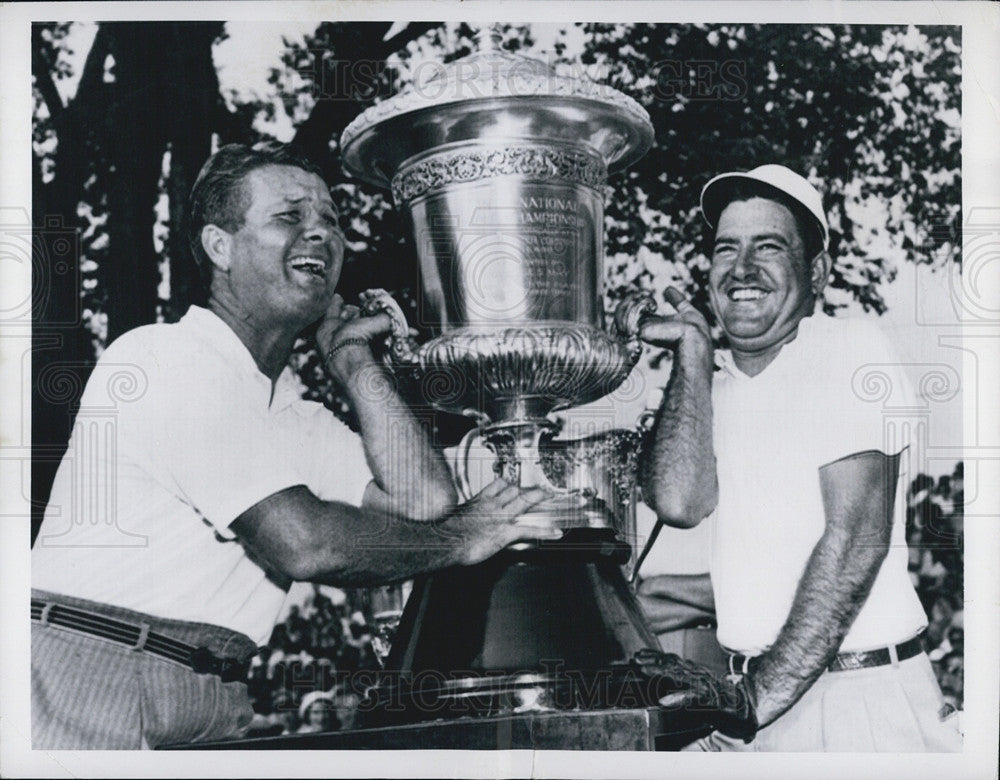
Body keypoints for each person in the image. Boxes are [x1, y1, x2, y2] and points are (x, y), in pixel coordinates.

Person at [30, 142, 560, 749]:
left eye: (331, 220)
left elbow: (426, 504)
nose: (321, 234)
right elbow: (303, 544)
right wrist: (462, 541)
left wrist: (356, 365)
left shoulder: (292, 411)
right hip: (90, 672)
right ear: (219, 246)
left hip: (210, 693)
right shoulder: (163, 358)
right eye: (290, 216)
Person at [638, 164, 961, 751]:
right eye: (726, 248)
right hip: (759, 705)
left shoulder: (848, 350)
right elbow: (679, 502)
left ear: (816, 271)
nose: (742, 268)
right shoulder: (720, 386)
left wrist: (755, 701)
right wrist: (692, 353)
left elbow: (855, 544)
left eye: (769, 246)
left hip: (856, 706)